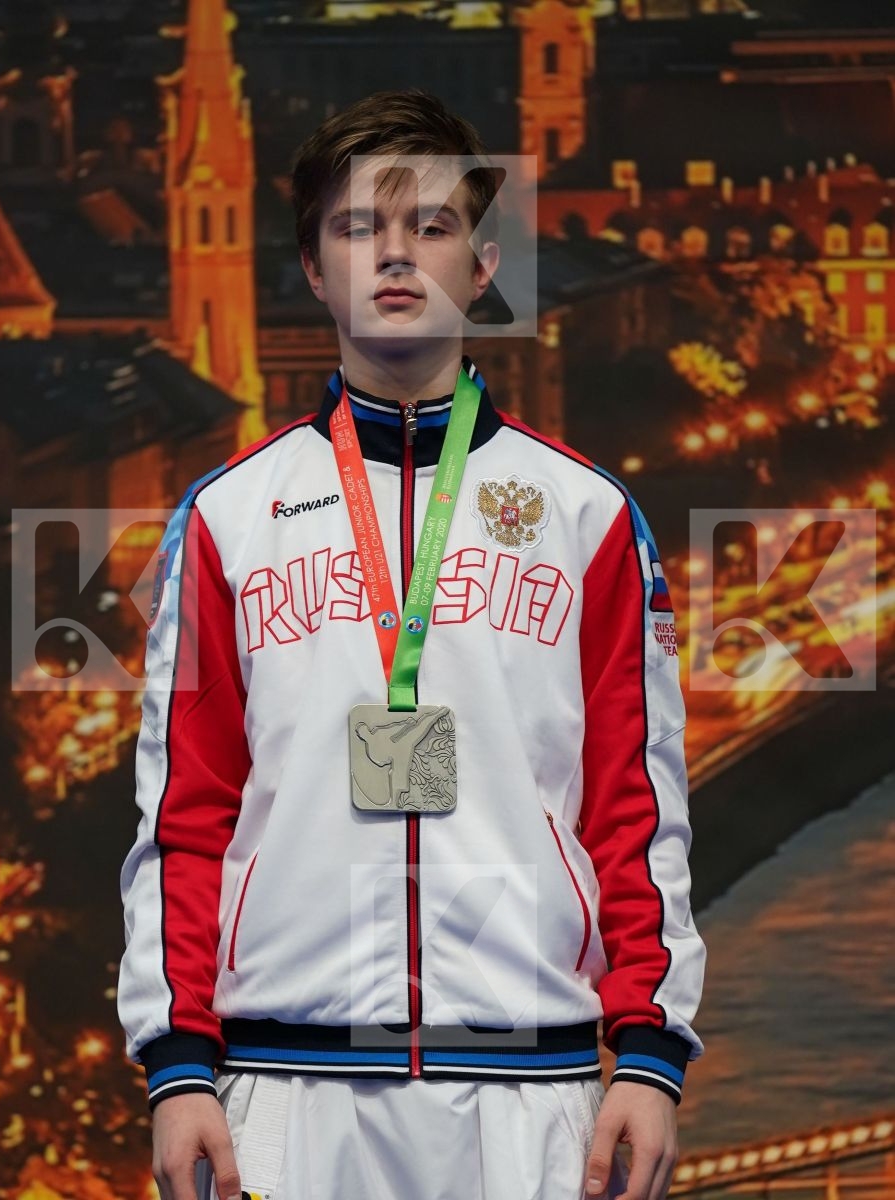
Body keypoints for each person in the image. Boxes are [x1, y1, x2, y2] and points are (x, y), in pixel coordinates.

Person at [118, 88, 706, 1200]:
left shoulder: (584, 515)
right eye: (357, 227)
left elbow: (636, 811)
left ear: (483, 266)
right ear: (310, 269)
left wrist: (652, 1050)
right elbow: (183, 815)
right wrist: (178, 1064)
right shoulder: (227, 518)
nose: (394, 255)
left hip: (531, 1086)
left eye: (429, 226)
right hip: (280, 1085)